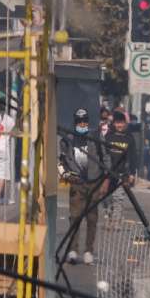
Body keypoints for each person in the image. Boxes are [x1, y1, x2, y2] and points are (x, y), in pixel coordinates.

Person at [59, 108, 104, 265]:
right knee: (75, 218)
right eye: (79, 122)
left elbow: (105, 158)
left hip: (93, 183)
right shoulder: (68, 139)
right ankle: (73, 250)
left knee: (92, 218)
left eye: (84, 121)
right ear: (75, 123)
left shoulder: (96, 138)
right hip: (77, 184)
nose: (82, 124)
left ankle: (88, 251)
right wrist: (66, 175)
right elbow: (62, 161)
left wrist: (105, 181)